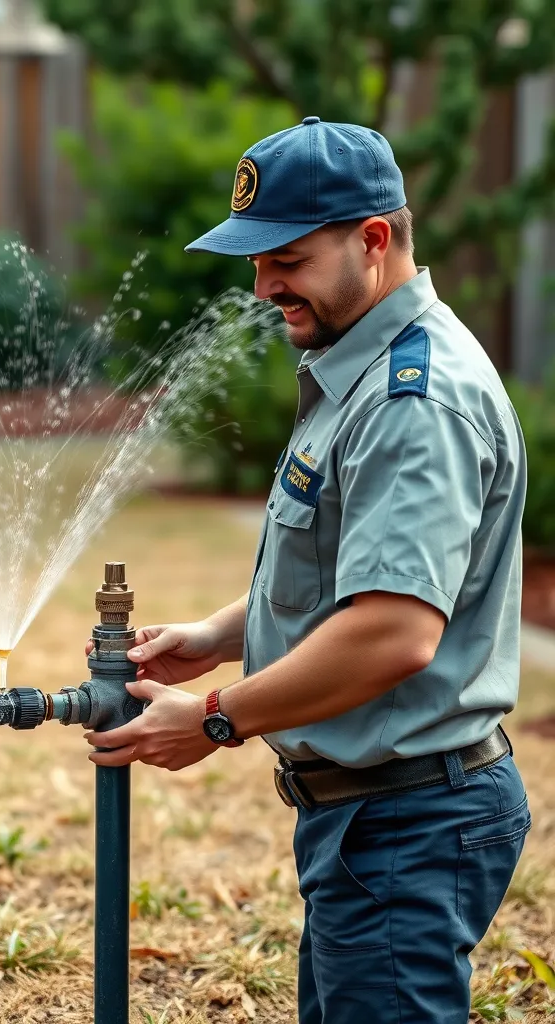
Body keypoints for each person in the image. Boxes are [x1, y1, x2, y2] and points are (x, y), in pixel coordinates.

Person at [82, 116, 532, 1023]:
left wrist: (212, 720)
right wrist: (215, 638)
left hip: (412, 820)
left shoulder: (415, 401)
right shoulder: (356, 368)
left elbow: (393, 633)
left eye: (284, 257)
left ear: (373, 241)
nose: (261, 286)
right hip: (378, 816)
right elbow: (346, 581)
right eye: (253, 262)